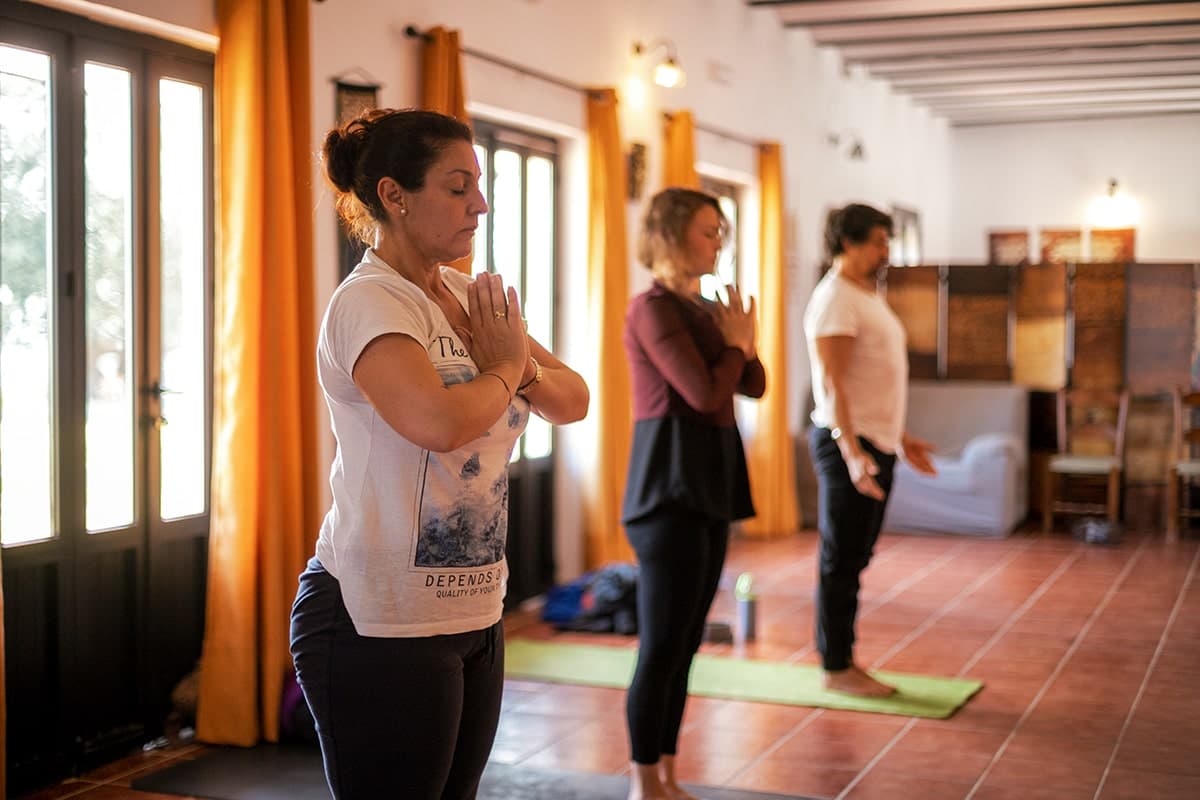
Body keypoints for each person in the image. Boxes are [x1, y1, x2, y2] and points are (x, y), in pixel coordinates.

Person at [289, 108, 589, 800]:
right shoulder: (371, 302)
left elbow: (573, 400)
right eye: (458, 187)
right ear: (394, 194)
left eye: (478, 184)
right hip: (375, 616)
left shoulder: (462, 293)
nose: (479, 203)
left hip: (474, 609)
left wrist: (517, 369)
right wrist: (509, 370)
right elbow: (437, 422)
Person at [621, 188, 765, 800]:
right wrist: (736, 343)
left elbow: (751, 382)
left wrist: (742, 339)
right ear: (673, 234)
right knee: (661, 645)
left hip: (709, 478)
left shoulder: (706, 308)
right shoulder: (652, 309)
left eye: (721, 231)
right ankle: (641, 779)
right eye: (709, 230)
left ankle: (668, 773)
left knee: (686, 643)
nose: (719, 242)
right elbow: (705, 395)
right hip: (667, 485)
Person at [803, 203, 937, 698]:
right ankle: (836, 667)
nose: (886, 251)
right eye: (879, 241)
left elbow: (869, 382)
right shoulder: (835, 298)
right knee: (841, 560)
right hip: (848, 445)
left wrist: (899, 437)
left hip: (871, 442)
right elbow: (832, 384)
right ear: (849, 242)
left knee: (855, 558)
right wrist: (853, 450)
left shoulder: (863, 295)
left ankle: (841, 660)